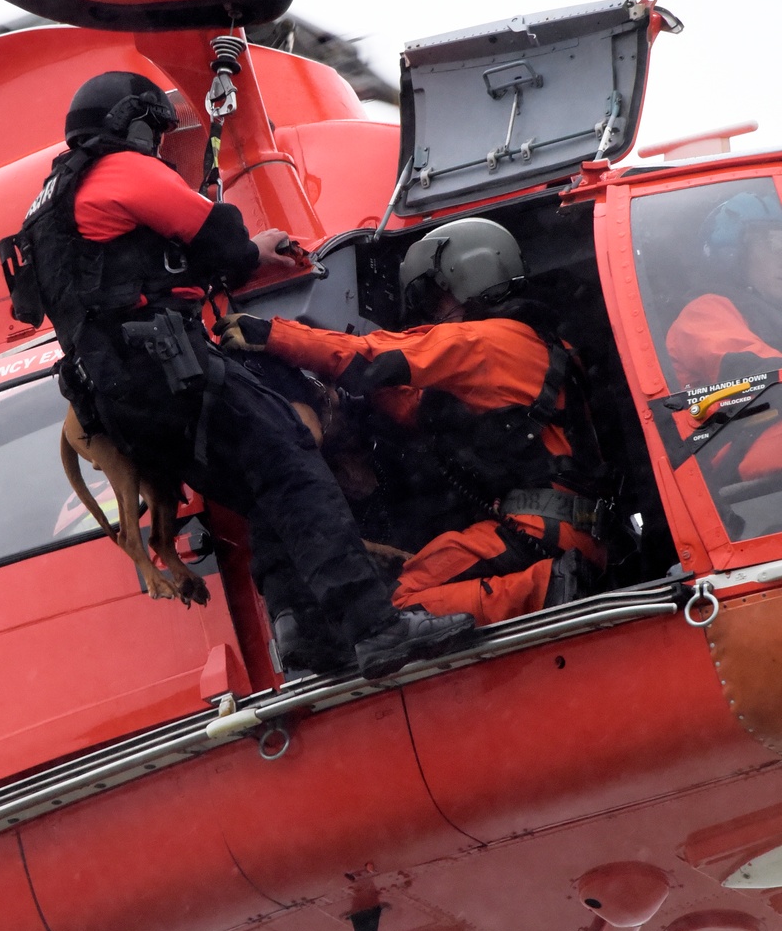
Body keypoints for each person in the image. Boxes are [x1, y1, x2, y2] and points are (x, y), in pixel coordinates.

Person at [2, 70, 476, 680]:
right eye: (154, 130)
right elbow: (219, 242)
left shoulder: (50, 207)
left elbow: (113, 283)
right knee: (295, 469)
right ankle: (377, 629)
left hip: (117, 404)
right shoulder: (120, 168)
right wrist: (254, 249)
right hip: (167, 373)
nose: (158, 145)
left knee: (263, 489)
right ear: (133, 123)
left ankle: (300, 628)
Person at [218, 217, 609, 626]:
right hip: (569, 532)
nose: (431, 315)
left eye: (435, 298)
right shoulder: (537, 349)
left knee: (393, 607)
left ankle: (548, 589)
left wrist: (275, 337)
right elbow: (421, 409)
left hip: (541, 535)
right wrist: (352, 400)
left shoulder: (485, 342)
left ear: (466, 278)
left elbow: (376, 355)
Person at [667, 189, 782, 481]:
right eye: (773, 242)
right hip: (758, 487)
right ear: (734, 256)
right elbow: (753, 370)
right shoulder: (704, 312)